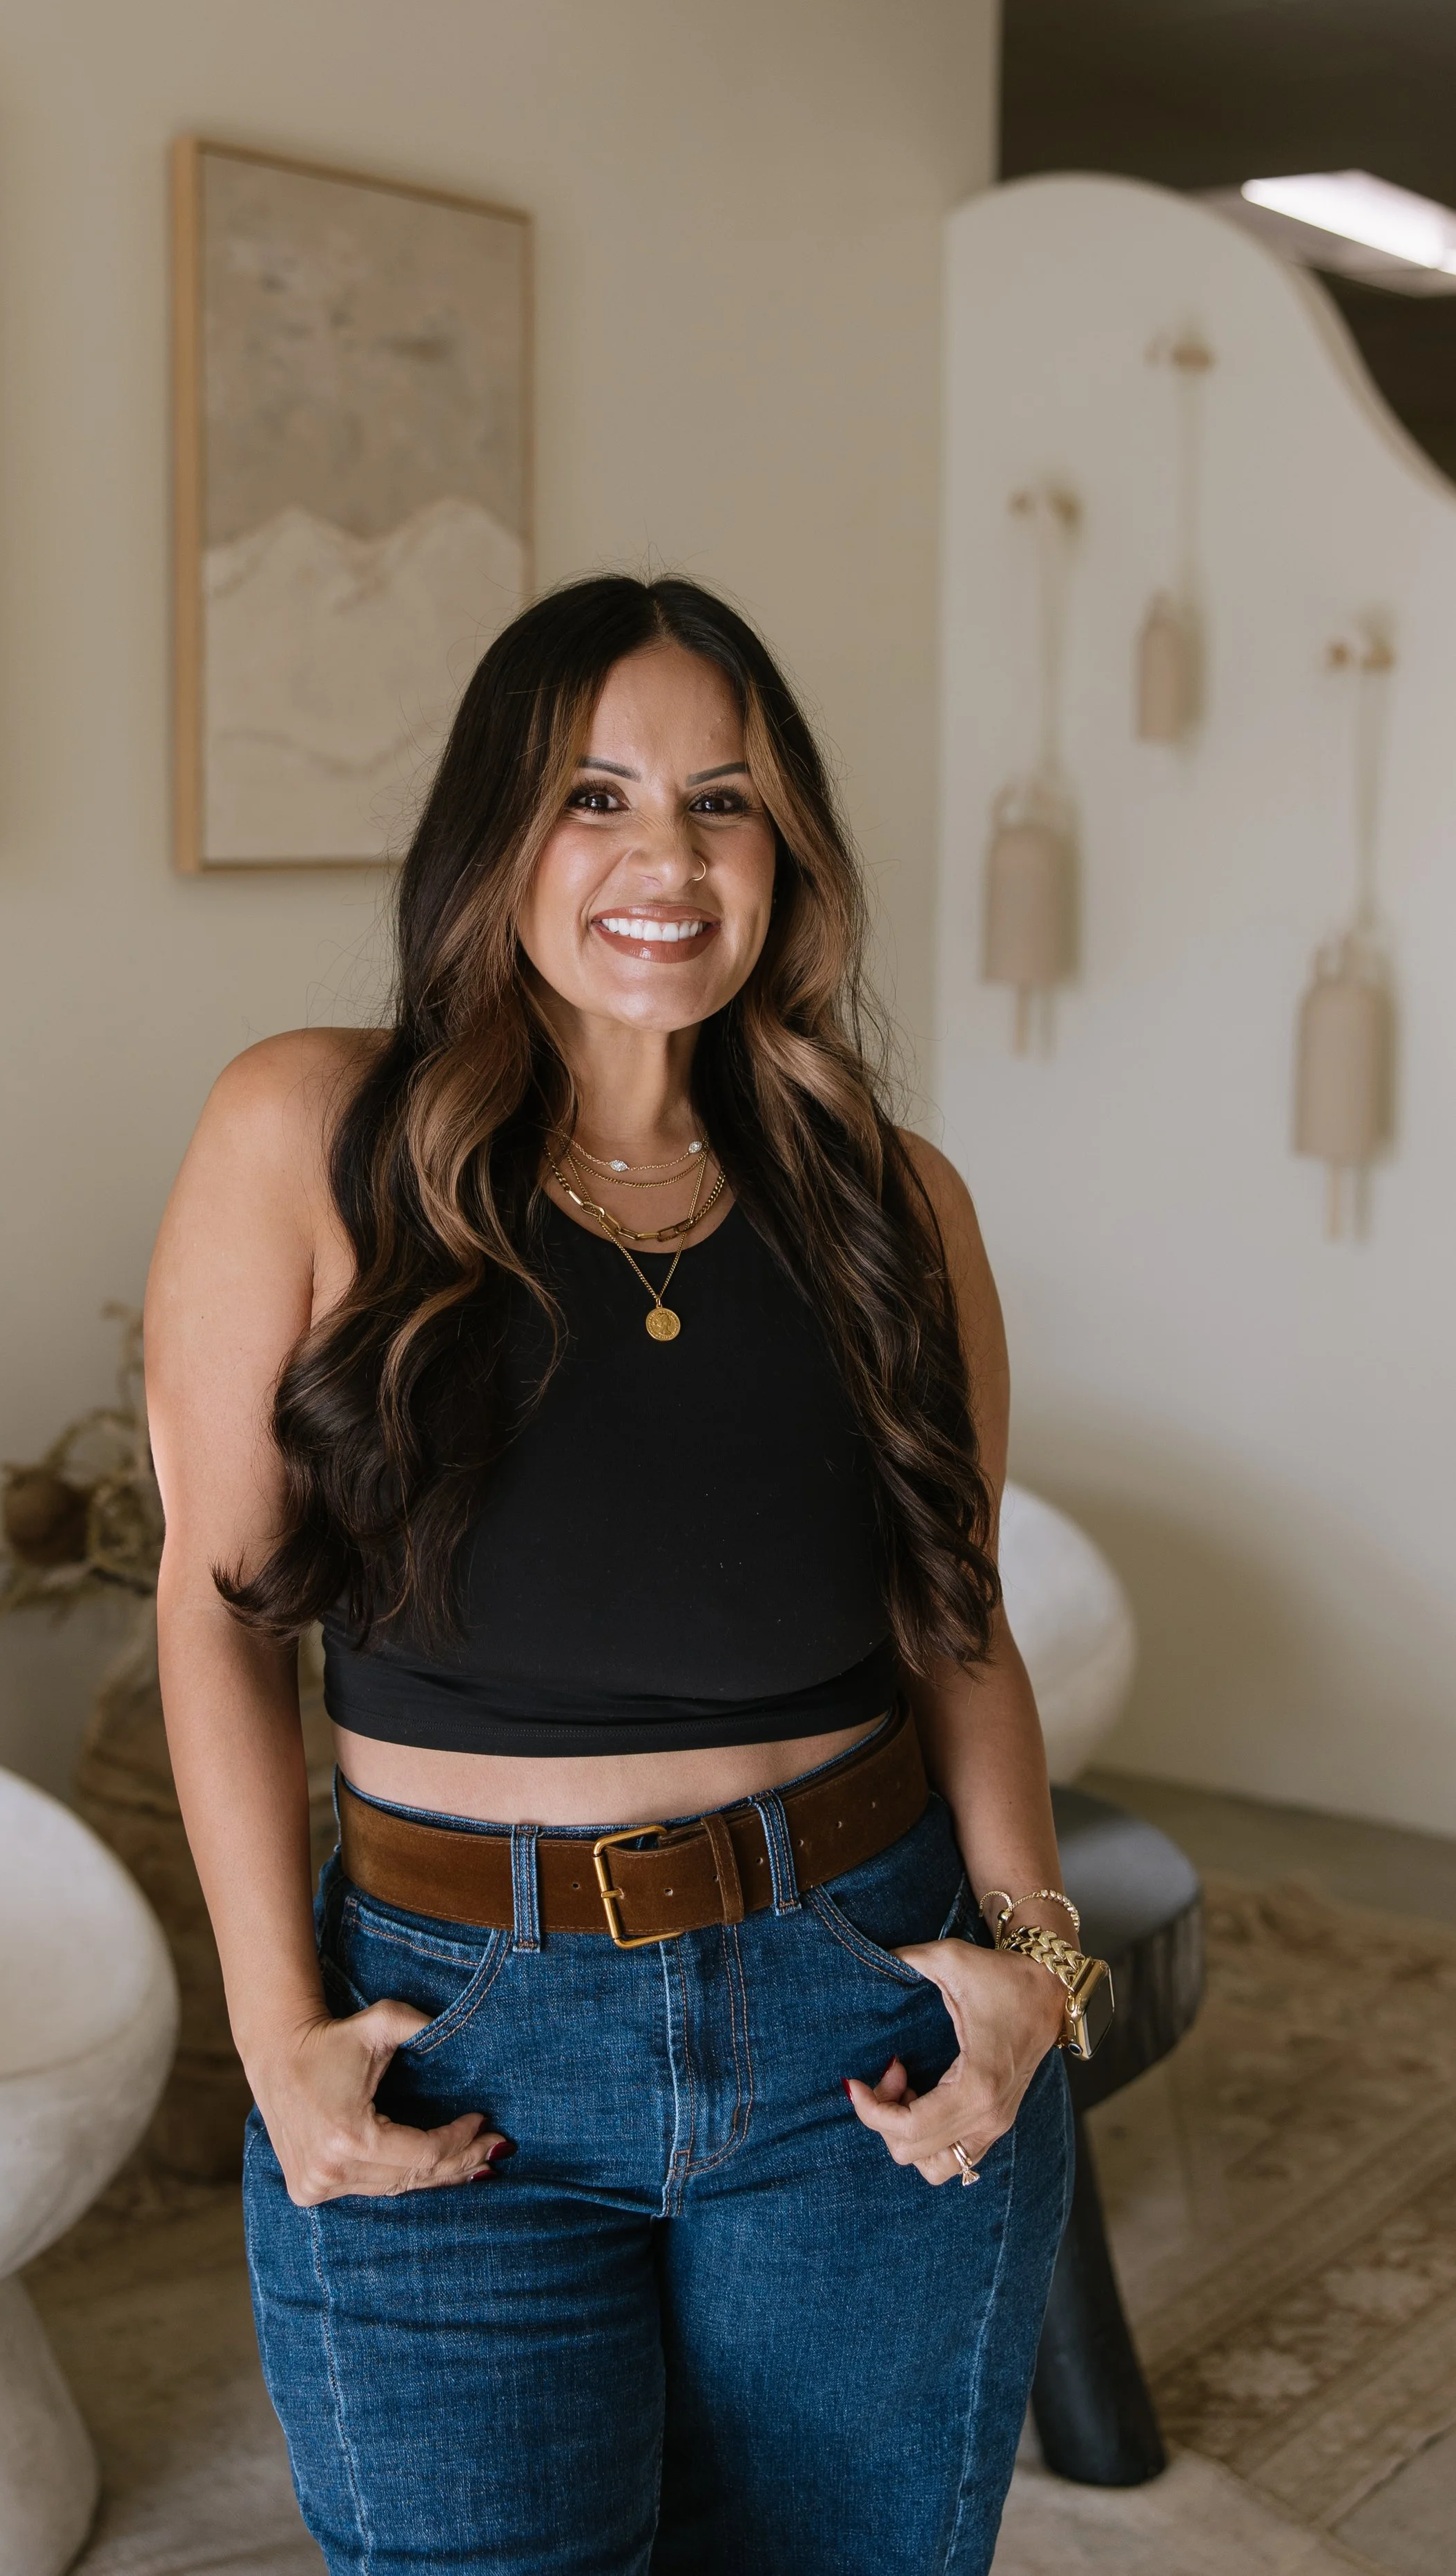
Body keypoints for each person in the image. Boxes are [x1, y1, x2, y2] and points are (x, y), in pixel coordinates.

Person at [146, 574, 1094, 2576]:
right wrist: (270, 2032)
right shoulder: (310, 1131)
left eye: (722, 801)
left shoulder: (890, 1200)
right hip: (449, 2031)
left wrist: (1038, 1971)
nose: (663, 857)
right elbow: (216, 1610)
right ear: (493, 834)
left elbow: (958, 1617)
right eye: (594, 795)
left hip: (860, 2009)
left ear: (788, 851)